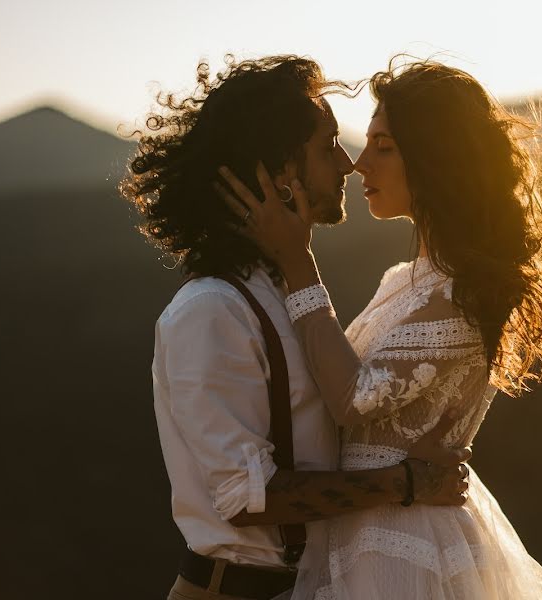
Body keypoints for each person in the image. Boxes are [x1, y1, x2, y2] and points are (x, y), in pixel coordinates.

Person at [214, 58, 542, 599]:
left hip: (402, 548)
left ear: (437, 160)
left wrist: (298, 263)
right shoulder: (404, 280)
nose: (360, 163)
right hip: (358, 528)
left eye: (384, 147)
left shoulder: (462, 297)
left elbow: (352, 400)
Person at [121, 55, 473, 600]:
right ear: (279, 173)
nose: (346, 164)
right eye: (328, 145)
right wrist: (402, 483)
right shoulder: (212, 309)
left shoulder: (286, 290)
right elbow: (247, 499)